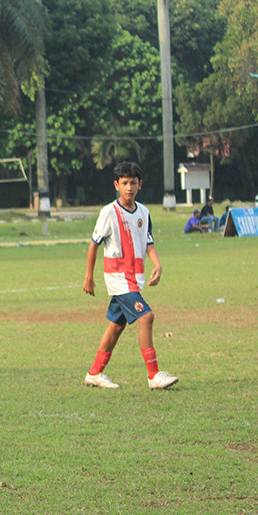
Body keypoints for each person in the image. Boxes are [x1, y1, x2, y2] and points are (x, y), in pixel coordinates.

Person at [83, 161, 177, 390]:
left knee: (116, 326)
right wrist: (89, 276)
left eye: (133, 183)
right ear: (116, 185)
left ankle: (94, 373)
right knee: (146, 317)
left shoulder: (144, 212)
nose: (129, 187)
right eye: (124, 183)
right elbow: (94, 244)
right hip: (119, 279)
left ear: (140, 185)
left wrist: (158, 265)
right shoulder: (109, 212)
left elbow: (148, 242)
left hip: (134, 279)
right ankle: (154, 376)